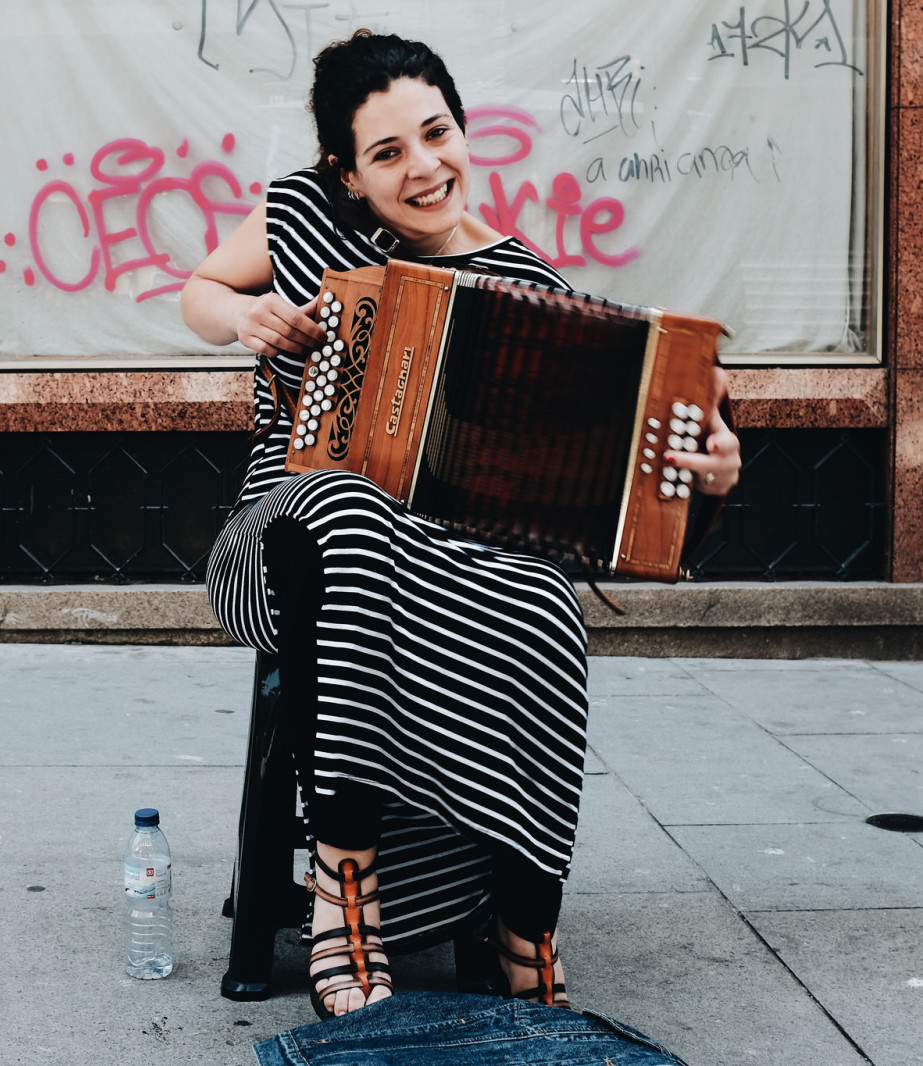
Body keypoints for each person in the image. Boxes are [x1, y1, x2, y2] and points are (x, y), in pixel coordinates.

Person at [182, 31, 741, 1020]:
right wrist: (244, 319)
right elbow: (201, 290)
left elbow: (606, 477)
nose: (424, 166)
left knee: (537, 591)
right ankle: (342, 886)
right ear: (346, 175)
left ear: (461, 128)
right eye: (388, 152)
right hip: (286, 523)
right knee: (350, 508)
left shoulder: (529, 285)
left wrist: (710, 469)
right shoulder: (306, 216)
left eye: (436, 133)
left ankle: (524, 912)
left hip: (448, 542)